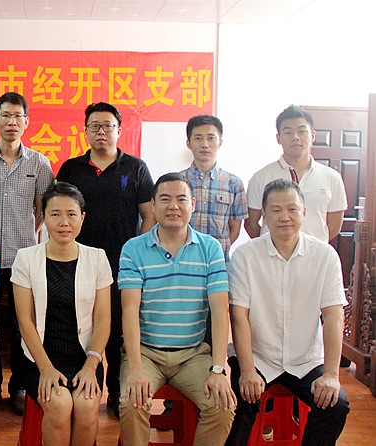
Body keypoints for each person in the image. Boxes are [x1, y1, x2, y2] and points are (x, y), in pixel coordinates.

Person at [225, 179, 350, 446]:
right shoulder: (245, 256)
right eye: (276, 210)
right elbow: (239, 316)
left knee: (335, 405)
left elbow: (333, 316)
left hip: (307, 360)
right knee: (238, 406)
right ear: (264, 215)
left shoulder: (325, 256)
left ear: (304, 213)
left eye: (292, 209)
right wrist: (247, 370)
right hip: (259, 357)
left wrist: (331, 374)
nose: (285, 217)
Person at [118, 172, 235, 446]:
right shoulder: (133, 249)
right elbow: (129, 311)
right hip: (146, 354)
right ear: (153, 205)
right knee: (132, 402)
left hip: (192, 355)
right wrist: (135, 368)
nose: (173, 206)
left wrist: (218, 368)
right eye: (165, 199)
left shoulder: (210, 248)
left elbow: (220, 311)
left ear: (193, 204)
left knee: (222, 405)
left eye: (181, 199)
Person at [57, 102, 155, 417]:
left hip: (121, 263)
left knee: (117, 329)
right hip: (78, 263)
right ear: (85, 131)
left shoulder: (136, 168)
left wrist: (137, 252)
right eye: (95, 126)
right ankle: (86, 387)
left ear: (119, 130)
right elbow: (59, 212)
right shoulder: (71, 169)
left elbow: (149, 215)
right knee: (81, 325)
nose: (101, 131)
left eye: (108, 126)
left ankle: (115, 392)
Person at [0, 92, 54, 414]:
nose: (11, 122)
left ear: (27, 122)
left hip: (24, 259)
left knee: (23, 327)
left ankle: (20, 386)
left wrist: (30, 236)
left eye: (18, 116)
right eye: (5, 115)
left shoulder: (39, 164)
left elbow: (43, 209)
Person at [12, 181, 112, 445]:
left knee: (87, 405)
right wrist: (45, 369)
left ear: (82, 218)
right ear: (44, 218)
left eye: (71, 214)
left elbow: (103, 320)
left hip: (84, 356)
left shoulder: (97, 258)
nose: (63, 222)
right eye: (55, 214)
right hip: (38, 357)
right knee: (59, 404)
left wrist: (91, 366)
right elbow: (25, 321)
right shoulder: (26, 258)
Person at [244, 104, 347, 242]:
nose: (295, 137)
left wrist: (313, 246)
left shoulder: (332, 178)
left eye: (302, 131)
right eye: (288, 132)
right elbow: (251, 224)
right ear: (278, 138)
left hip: (314, 253)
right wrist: (271, 245)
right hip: (271, 254)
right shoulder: (261, 177)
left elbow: (334, 226)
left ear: (313, 136)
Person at [180, 114, 248, 262]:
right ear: (189, 143)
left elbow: (235, 229)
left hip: (219, 262)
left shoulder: (234, 184)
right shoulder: (178, 183)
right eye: (198, 138)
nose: (205, 144)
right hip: (183, 260)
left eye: (211, 138)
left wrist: (216, 250)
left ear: (220, 143)